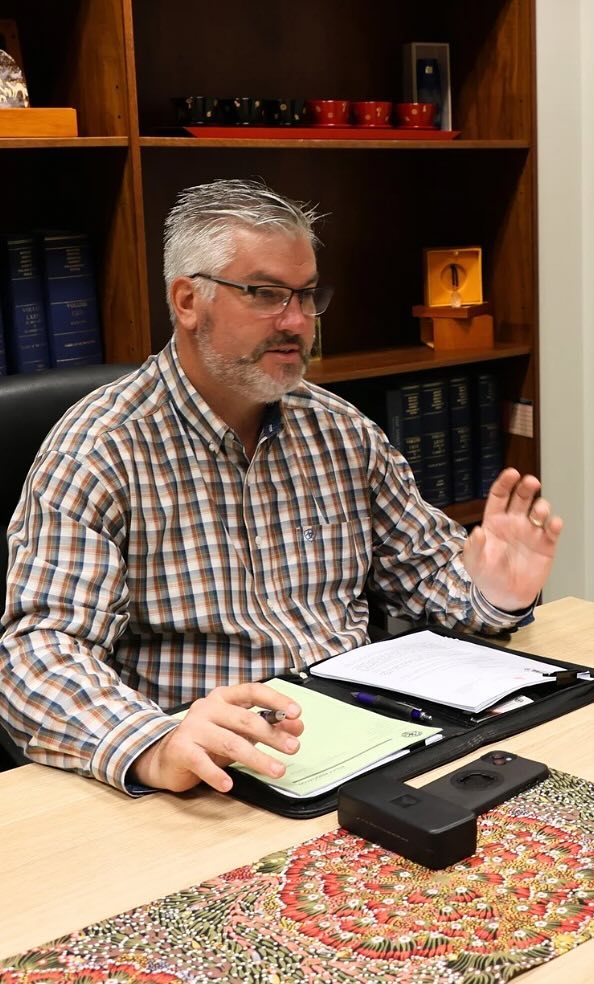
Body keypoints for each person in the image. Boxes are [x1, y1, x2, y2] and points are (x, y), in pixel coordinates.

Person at [0, 179, 562, 795]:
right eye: (266, 294)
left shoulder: (341, 431)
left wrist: (495, 592)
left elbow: (432, 580)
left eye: (307, 295)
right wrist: (154, 744)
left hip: (372, 748)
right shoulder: (101, 448)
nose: (297, 322)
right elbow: (36, 656)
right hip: (210, 775)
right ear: (188, 300)